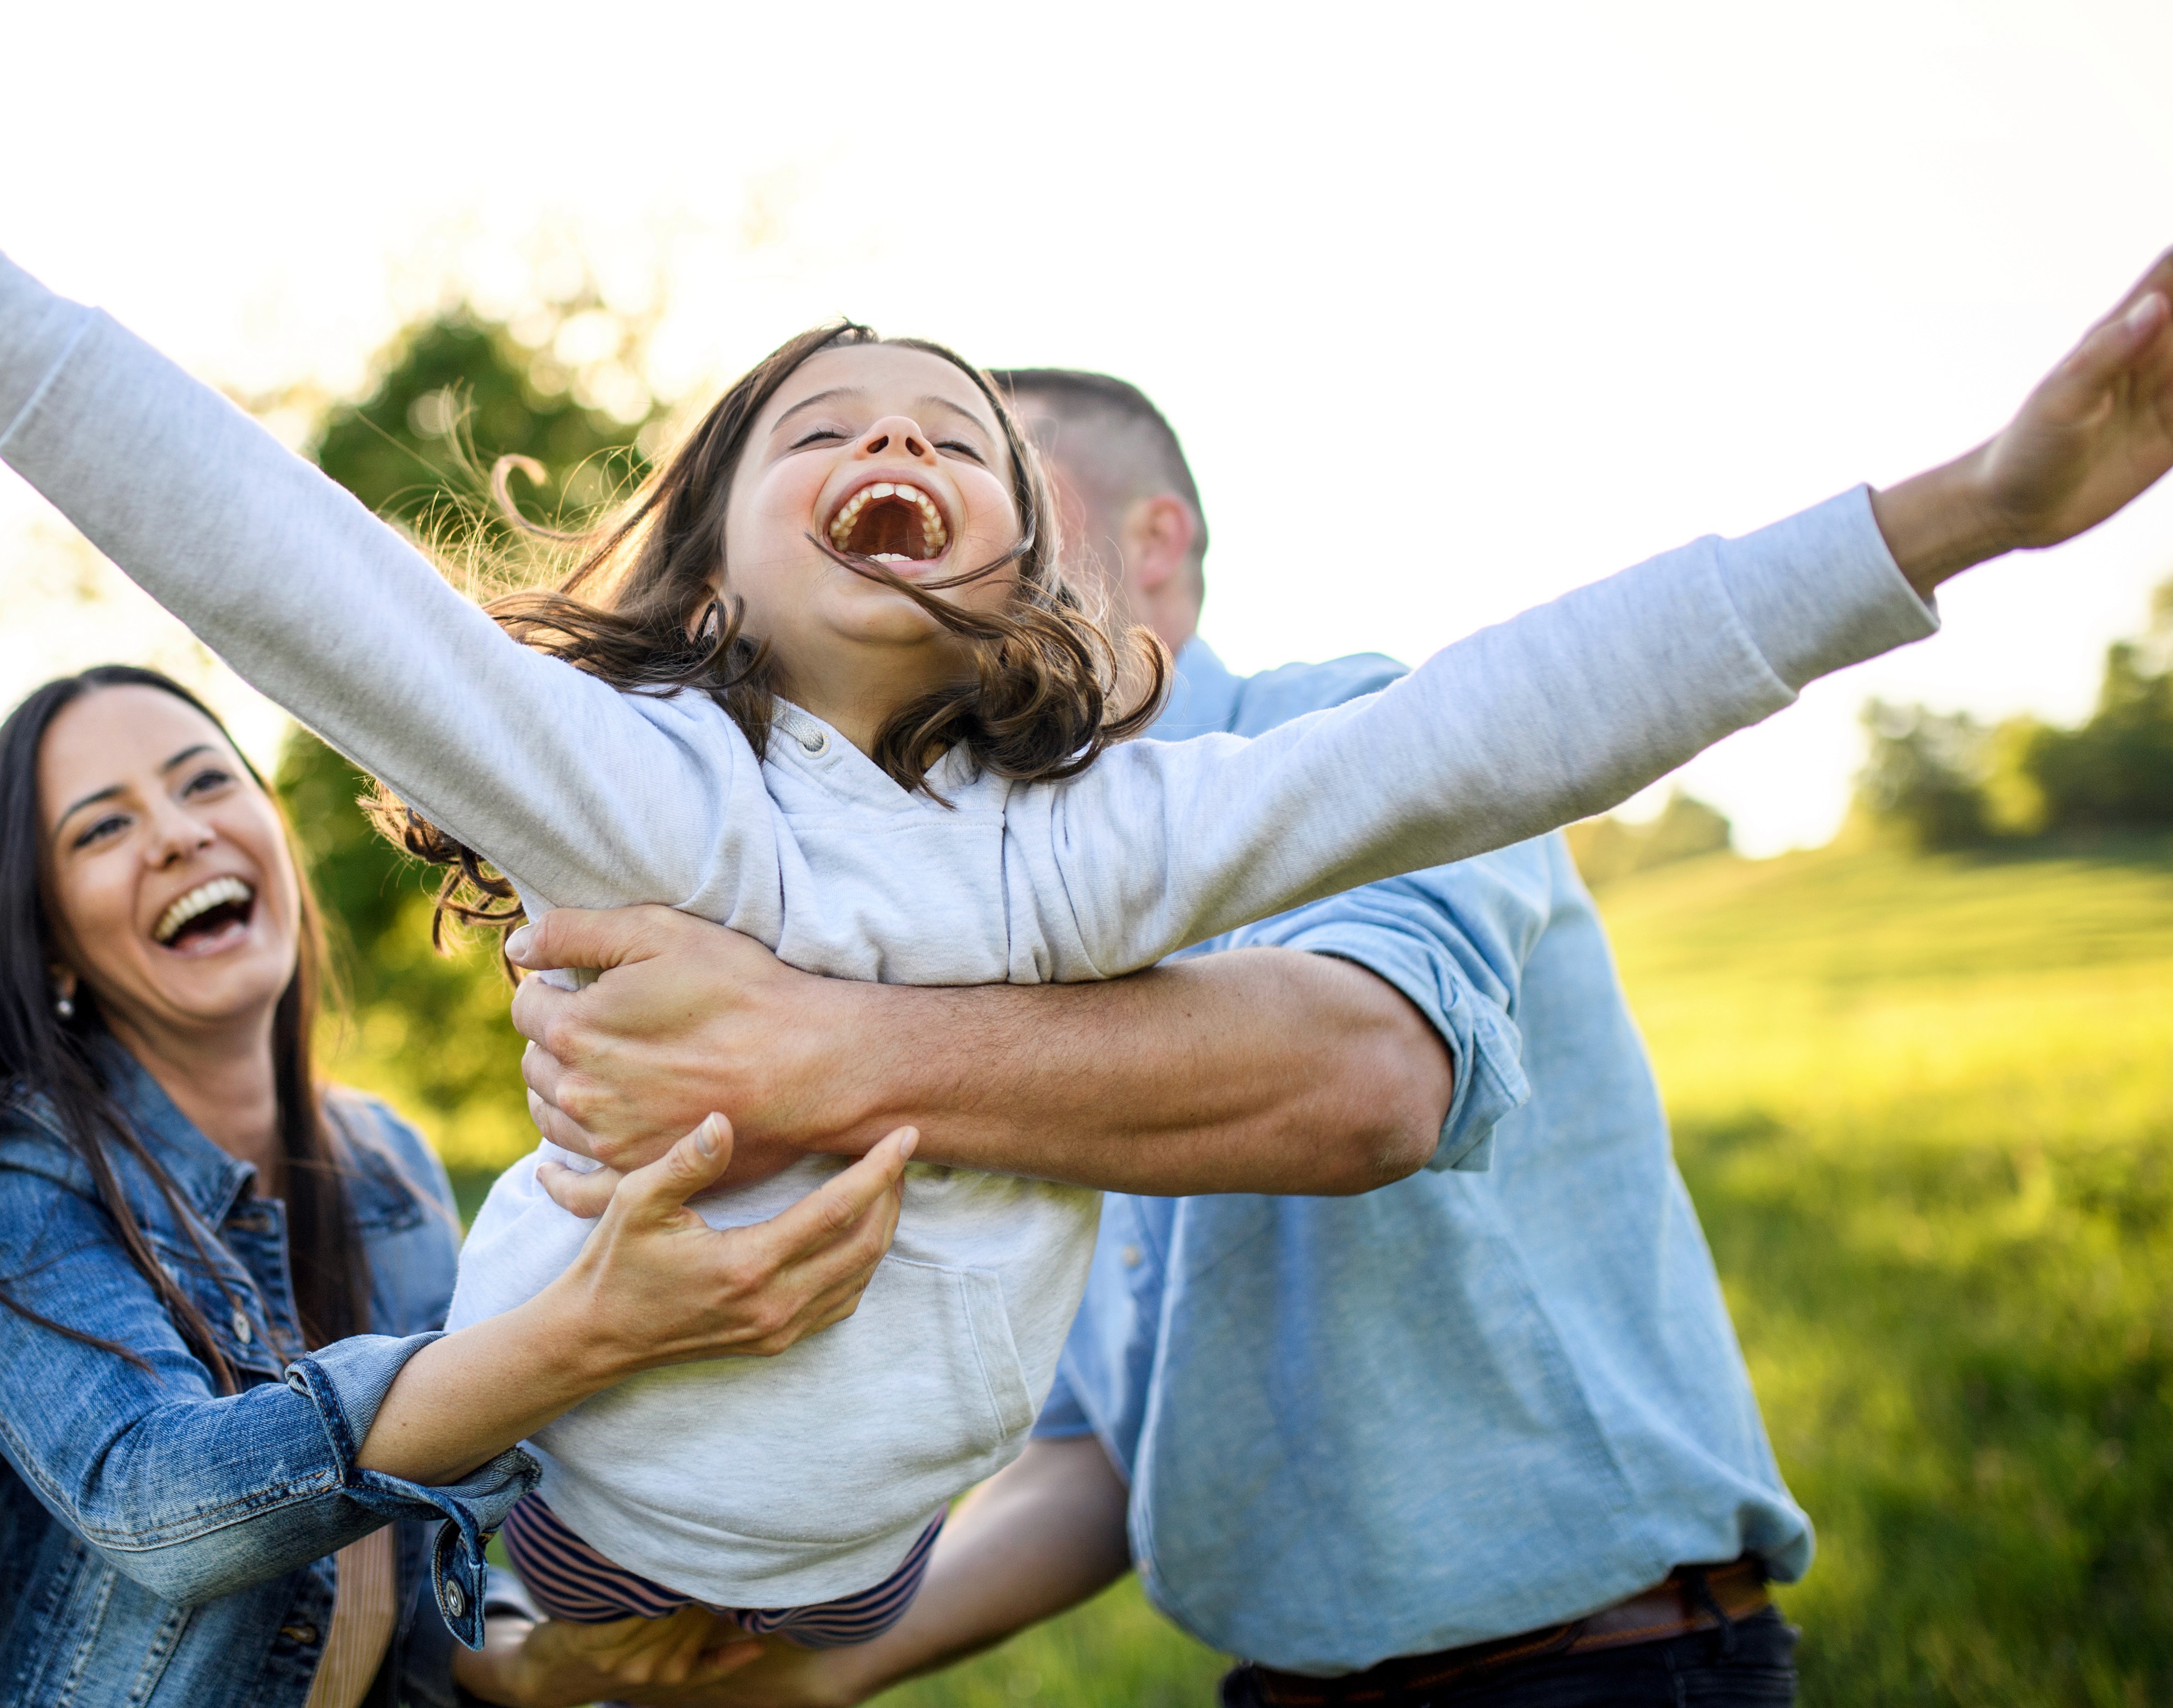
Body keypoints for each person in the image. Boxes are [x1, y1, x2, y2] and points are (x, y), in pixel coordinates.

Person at [0, 0, 2170, 1665]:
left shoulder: (1091, 855)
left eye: (948, 431)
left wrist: (1961, 507)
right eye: (827, 422)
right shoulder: (636, 800)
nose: (896, 437)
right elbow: (274, 561)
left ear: (1047, 573)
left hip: (833, 1615)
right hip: (563, 1573)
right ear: (708, 535)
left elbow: (1484, 725)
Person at [495, 359, 2164, 1704]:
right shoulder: (965, 910)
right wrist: (794, 1683)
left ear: (1147, 546)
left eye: (988, 472)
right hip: (1286, 1683)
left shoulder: (1343, 729)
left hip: (1605, 1670)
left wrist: (820, 1052)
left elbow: (1365, 1080)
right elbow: (1097, 1463)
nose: (921, 513)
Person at [0, 665, 917, 1708]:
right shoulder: (20, 1194)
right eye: (105, 828)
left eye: (205, 784)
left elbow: (423, 1565)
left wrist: (537, 1661)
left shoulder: (385, 1162)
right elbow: (161, 1503)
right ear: (47, 940)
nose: (180, 835)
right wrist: (595, 1328)